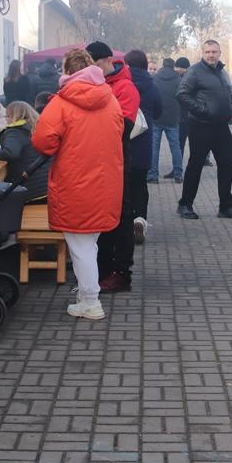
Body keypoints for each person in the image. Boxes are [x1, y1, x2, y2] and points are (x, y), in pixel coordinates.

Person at [32, 48, 124, 320]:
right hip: (106, 181)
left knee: (80, 245)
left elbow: (42, 141)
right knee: (89, 242)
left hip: (75, 182)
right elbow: (118, 131)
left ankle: (91, 301)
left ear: (67, 72)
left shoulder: (61, 102)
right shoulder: (110, 99)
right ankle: (87, 293)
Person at [86, 41, 141, 293]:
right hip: (98, 159)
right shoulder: (99, 84)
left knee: (121, 215)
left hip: (119, 159)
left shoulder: (125, 87)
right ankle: (103, 268)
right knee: (103, 215)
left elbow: (124, 129)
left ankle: (121, 273)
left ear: (107, 61)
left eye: (94, 65)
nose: (91, 70)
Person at [175, 40, 232, 220]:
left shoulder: (223, 72)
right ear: (203, 52)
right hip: (200, 125)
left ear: (219, 53)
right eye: (207, 51)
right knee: (195, 165)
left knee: (225, 165)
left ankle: (226, 206)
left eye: (214, 51)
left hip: (221, 126)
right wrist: (204, 110)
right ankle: (185, 204)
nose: (211, 55)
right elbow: (182, 94)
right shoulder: (194, 71)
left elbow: (229, 95)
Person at [124, 49, 162, 244]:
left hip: (123, 142)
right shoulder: (152, 85)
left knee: (123, 185)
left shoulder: (122, 84)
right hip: (143, 141)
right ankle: (139, 219)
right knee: (140, 184)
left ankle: (123, 223)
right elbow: (158, 111)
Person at [0, 101, 48, 203]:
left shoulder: (15, 131)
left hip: (28, 188)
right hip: (45, 186)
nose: (5, 119)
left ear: (13, 116)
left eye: (7, 116)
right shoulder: (36, 127)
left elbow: (11, 153)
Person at [148, 58, 184, 184]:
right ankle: (178, 174)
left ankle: (153, 175)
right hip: (173, 118)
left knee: (154, 147)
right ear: (173, 66)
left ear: (163, 66)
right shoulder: (179, 79)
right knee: (176, 147)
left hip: (156, 117)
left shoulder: (155, 78)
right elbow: (182, 97)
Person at [174, 56, 192, 167]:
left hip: (184, 116)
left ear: (183, 68)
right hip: (190, 116)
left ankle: (178, 168)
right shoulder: (190, 77)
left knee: (180, 143)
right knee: (193, 144)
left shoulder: (184, 80)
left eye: (177, 67)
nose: (175, 69)